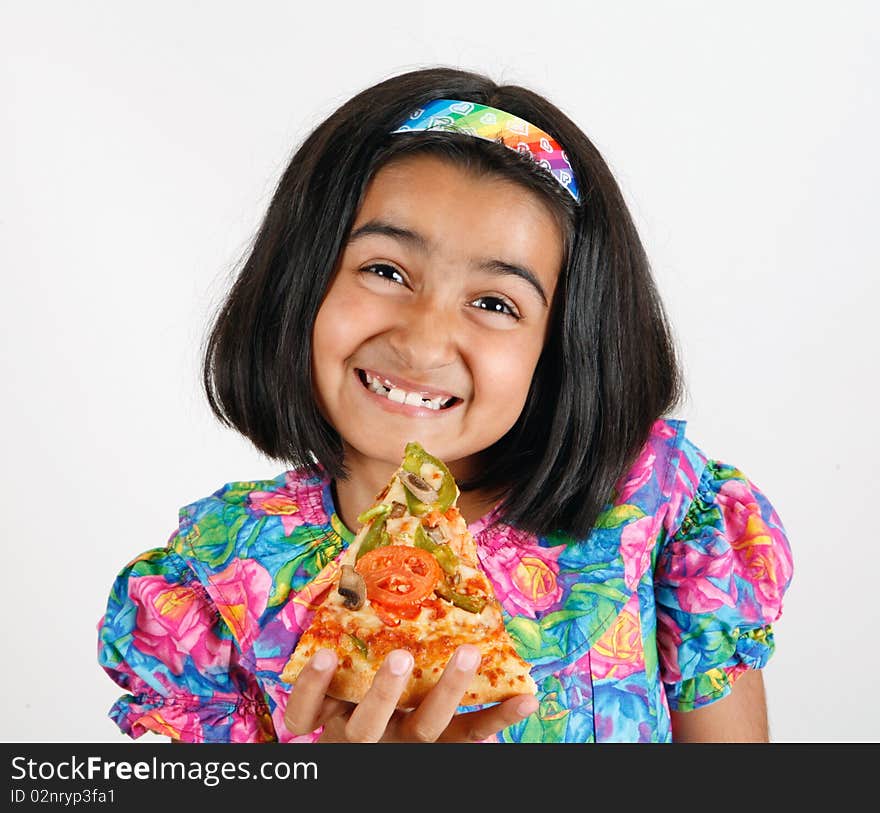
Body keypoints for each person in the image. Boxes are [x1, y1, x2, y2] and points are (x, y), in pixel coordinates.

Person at [96, 66, 794, 743]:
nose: (424, 341)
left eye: (496, 302)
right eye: (385, 270)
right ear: (298, 282)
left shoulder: (658, 511)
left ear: (559, 348)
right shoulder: (218, 578)